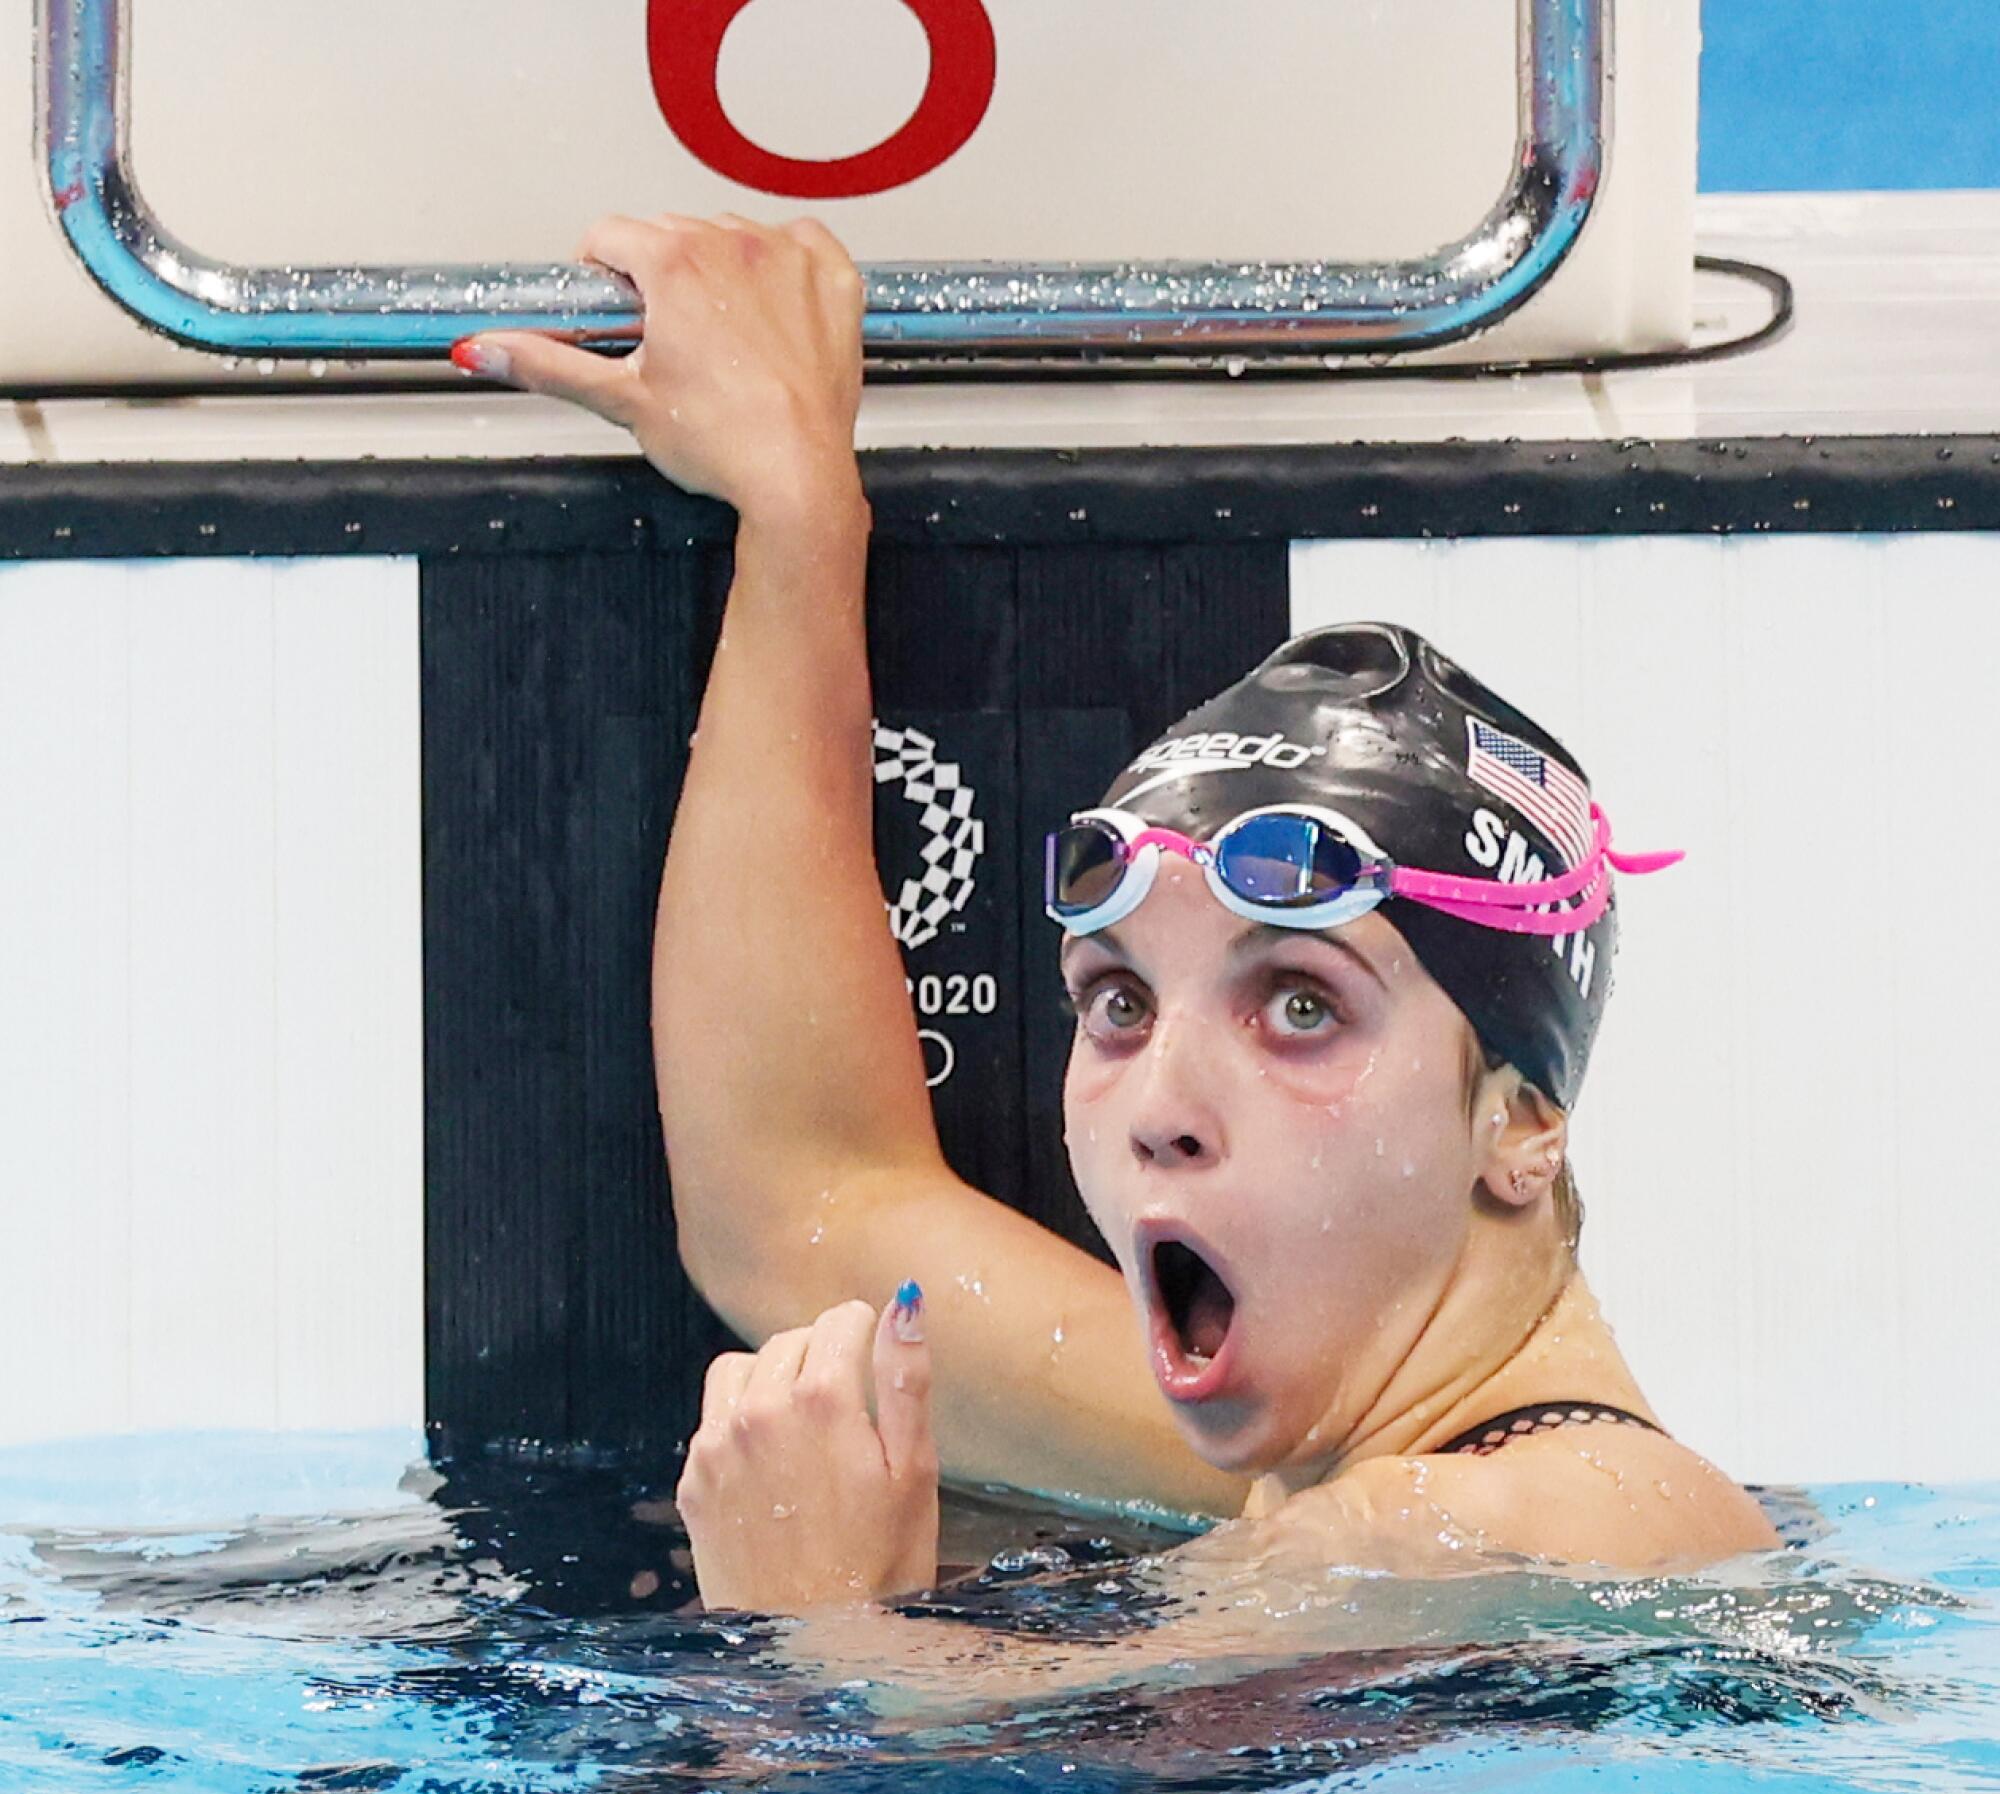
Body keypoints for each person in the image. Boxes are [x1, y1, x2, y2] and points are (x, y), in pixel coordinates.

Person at [451, 212, 1781, 1672]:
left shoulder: (1520, 1531)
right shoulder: (1322, 1456)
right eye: (1122, 1004)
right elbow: (798, 1202)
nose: (1162, 1112)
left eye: (1298, 1009)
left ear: (1520, 1123)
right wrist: (797, 511)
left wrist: (817, 1625)